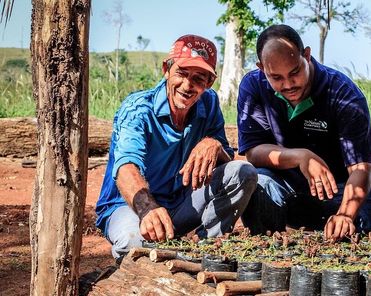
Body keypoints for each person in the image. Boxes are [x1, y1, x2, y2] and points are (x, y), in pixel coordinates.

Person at [237, 24, 371, 240]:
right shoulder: (252, 85)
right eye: (276, 77)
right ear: (261, 68)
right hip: (283, 184)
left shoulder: (344, 95)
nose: (288, 84)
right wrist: (301, 157)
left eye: (295, 72)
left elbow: (360, 169)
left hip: (340, 186)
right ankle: (272, 245)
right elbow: (254, 152)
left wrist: (345, 214)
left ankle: (342, 234)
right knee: (259, 185)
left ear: (307, 56)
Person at [95, 34, 257, 258]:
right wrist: (148, 210)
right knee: (136, 245)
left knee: (244, 172)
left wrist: (215, 145)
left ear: (210, 83)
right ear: (166, 70)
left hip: (180, 206)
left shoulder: (209, 104)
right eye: (181, 73)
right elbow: (126, 167)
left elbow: (227, 164)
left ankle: (207, 252)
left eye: (199, 78)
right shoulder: (138, 108)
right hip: (130, 207)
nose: (188, 85)